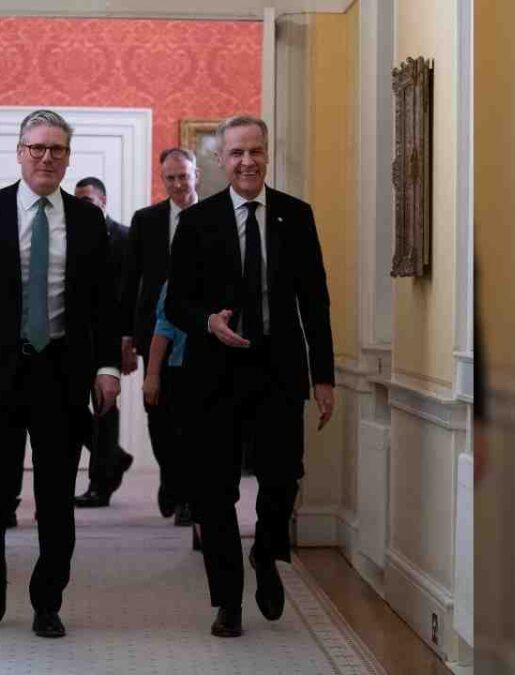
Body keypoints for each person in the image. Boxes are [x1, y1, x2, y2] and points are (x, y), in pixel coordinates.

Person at [0, 109, 121, 639]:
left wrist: (107, 367)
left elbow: (104, 304)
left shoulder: (87, 220)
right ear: (19, 153)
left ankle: (48, 600)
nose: (46, 157)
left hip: (61, 374)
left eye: (56, 149)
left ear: (68, 157)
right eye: (37, 148)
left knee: (57, 494)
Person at [165, 115, 335, 638]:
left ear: (267, 154)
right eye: (236, 153)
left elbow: (315, 300)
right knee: (215, 493)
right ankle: (228, 602)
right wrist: (207, 322)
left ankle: (265, 551)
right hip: (214, 376)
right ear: (221, 159)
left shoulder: (296, 216)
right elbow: (175, 303)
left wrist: (324, 376)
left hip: (278, 370)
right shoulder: (198, 221)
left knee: (283, 479)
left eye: (255, 151)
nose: (246, 162)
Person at [119, 147, 201, 524]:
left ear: (196, 175)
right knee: (159, 415)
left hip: (201, 333)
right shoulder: (147, 220)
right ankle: (171, 477)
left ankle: (187, 496)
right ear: (162, 179)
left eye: (184, 176)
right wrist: (126, 337)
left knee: (193, 416)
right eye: (171, 178)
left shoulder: (214, 216)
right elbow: (130, 280)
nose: (178, 184)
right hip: (154, 333)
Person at [71, 177, 135, 507]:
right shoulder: (69, 234)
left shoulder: (124, 237)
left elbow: (131, 293)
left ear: (103, 201)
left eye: (87, 200)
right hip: (74, 338)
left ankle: (100, 485)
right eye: (77, 201)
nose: (81, 206)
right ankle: (114, 457)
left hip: (109, 339)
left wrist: (127, 339)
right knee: (70, 407)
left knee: (104, 408)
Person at [142, 281, 201, 550]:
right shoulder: (175, 281)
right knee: (179, 442)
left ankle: (197, 509)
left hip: (224, 372)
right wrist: (152, 374)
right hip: (182, 368)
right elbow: (163, 326)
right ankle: (181, 493)